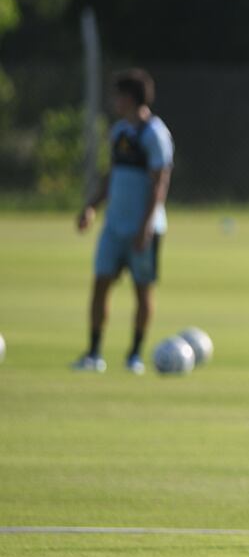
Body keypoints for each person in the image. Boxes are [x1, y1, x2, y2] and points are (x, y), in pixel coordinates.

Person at [73, 68, 174, 374]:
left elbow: (160, 183)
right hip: (114, 226)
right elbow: (112, 176)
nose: (114, 100)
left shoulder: (155, 134)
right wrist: (91, 207)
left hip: (143, 228)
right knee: (101, 284)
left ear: (129, 98)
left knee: (143, 290)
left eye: (118, 95)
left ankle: (134, 355)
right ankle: (93, 354)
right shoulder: (119, 132)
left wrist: (145, 225)